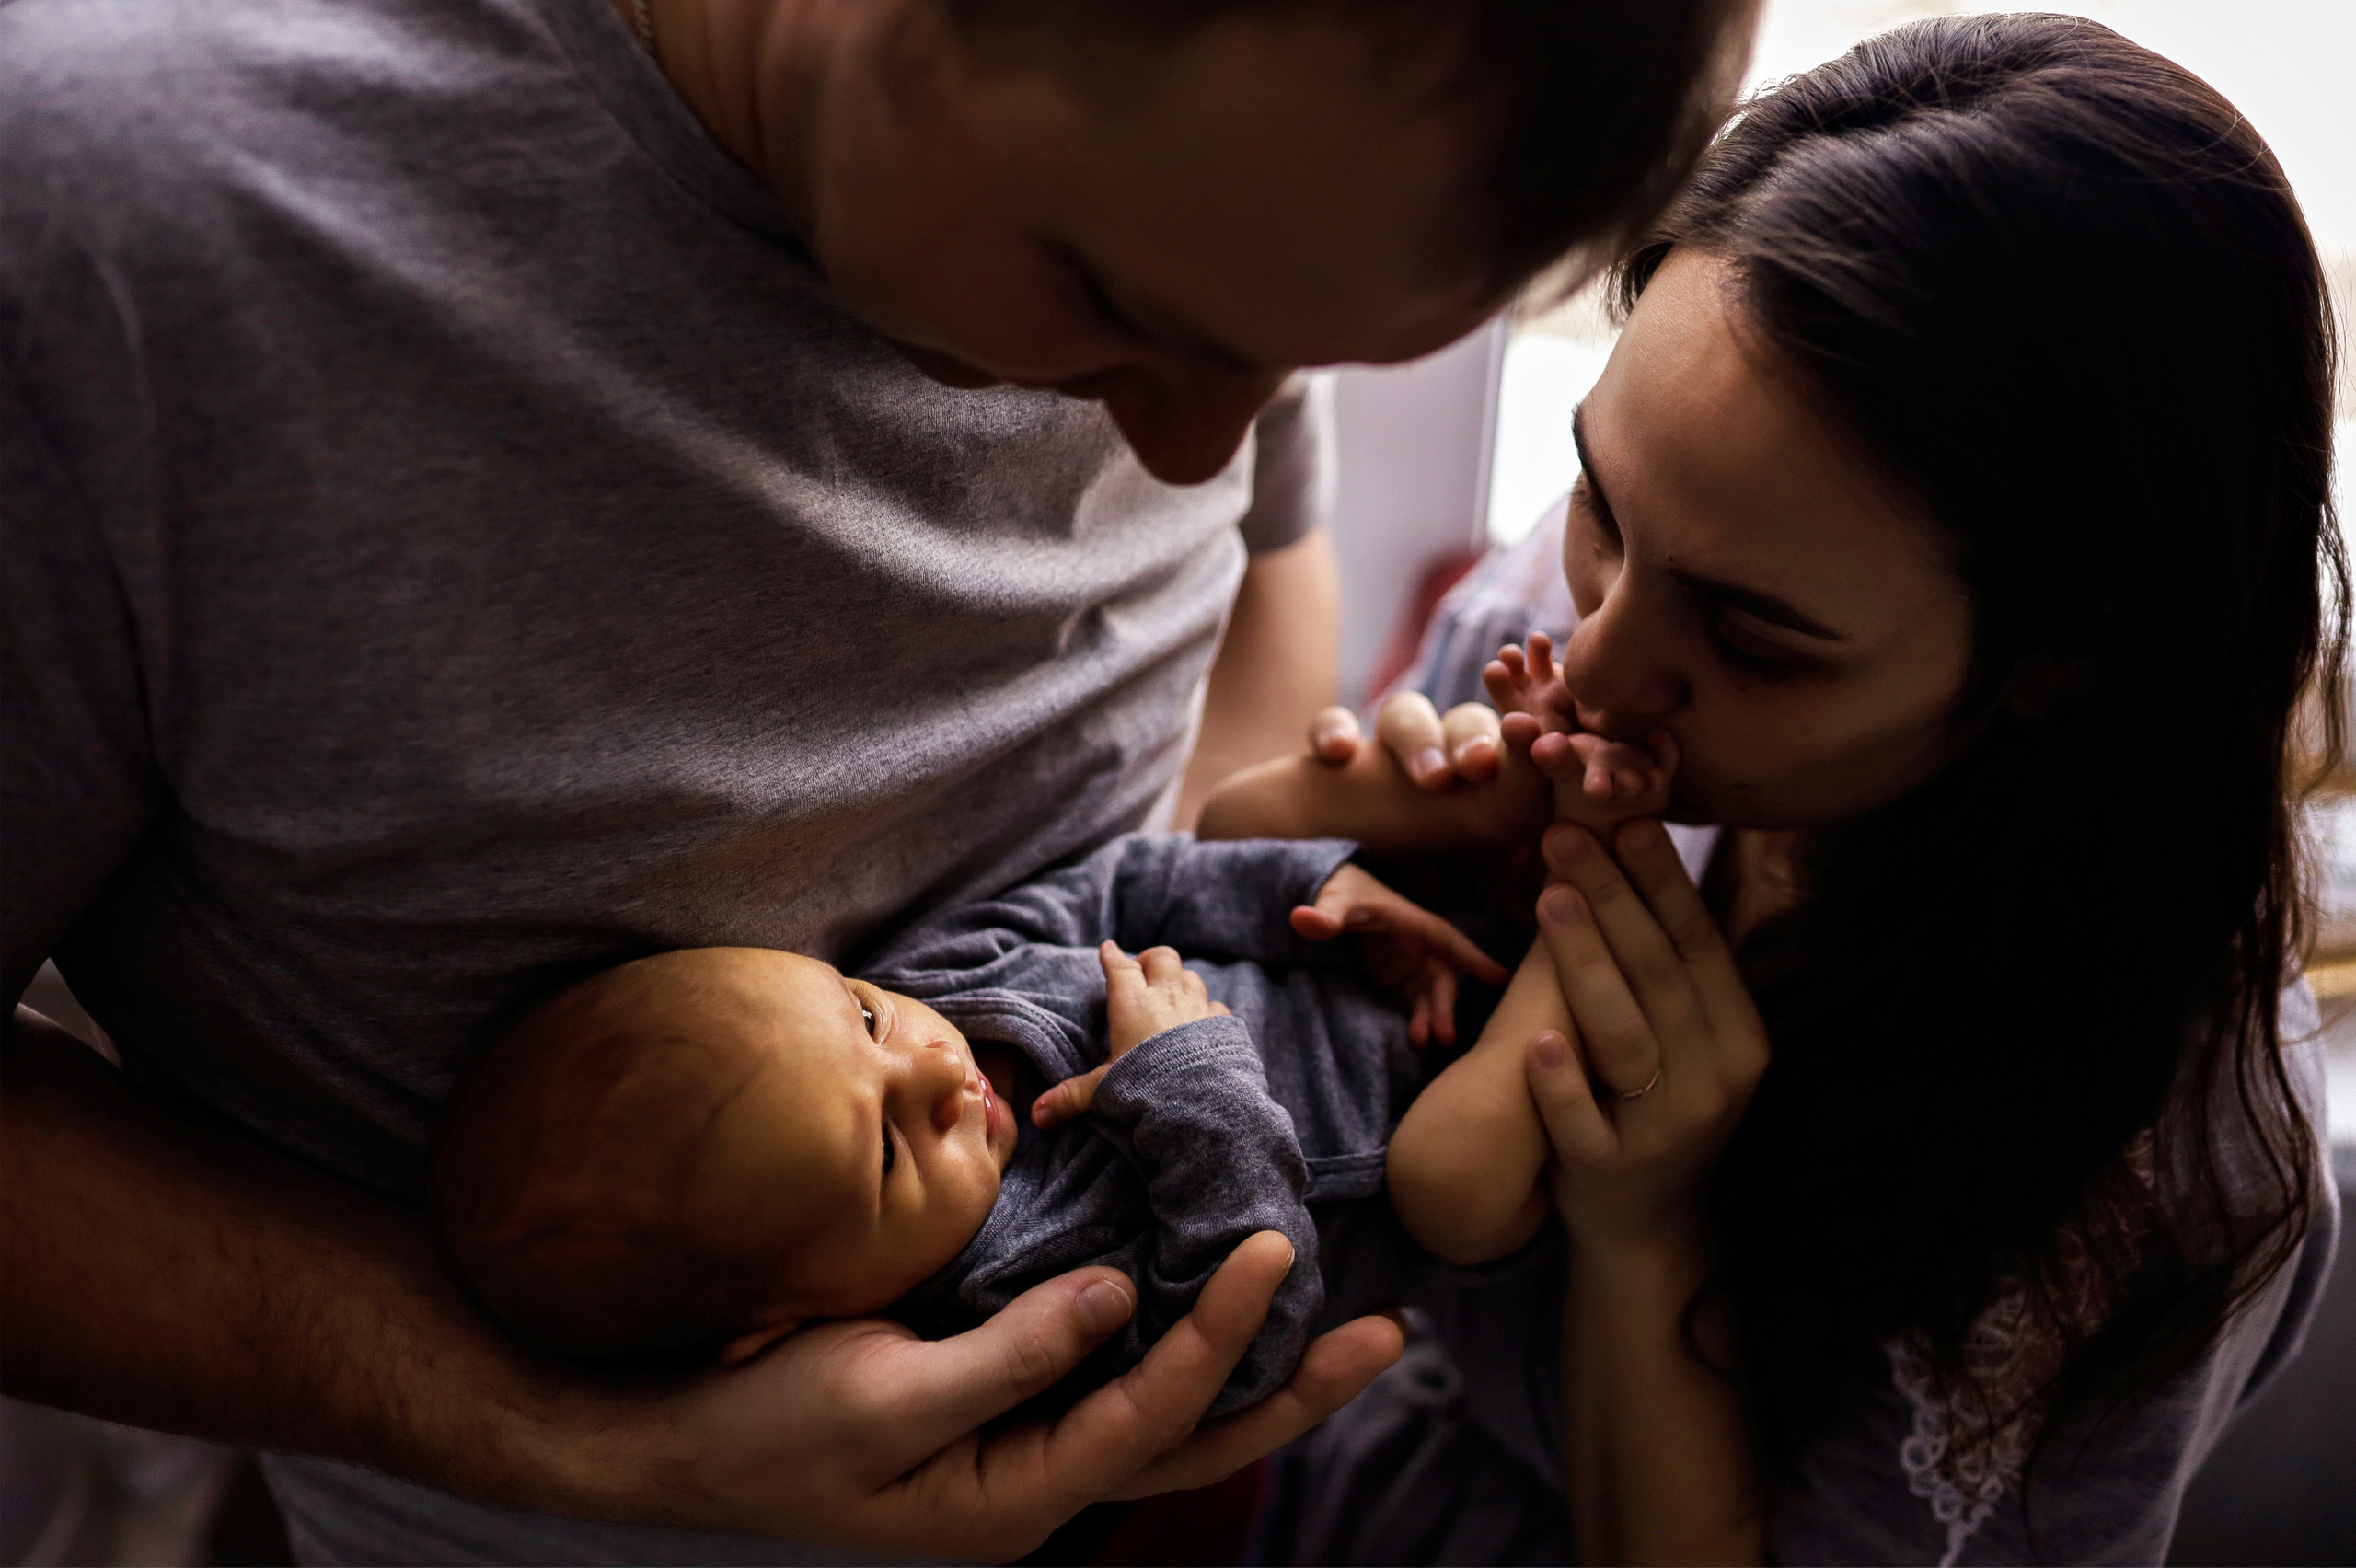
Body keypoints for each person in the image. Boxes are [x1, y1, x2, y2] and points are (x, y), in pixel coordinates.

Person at [0, 0, 1758, 1559]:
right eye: (1116, 303)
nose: (1190, 440)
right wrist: (584, 1434)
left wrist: (1266, 870)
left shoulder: (1253, 178)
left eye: (1287, 356)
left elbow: (1256, 551)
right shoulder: (108, 225)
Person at [1201, 16, 2345, 1563]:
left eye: (1752, 637)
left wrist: (1642, 1224)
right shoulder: (1624, 567)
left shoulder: (2160, 1155)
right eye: (1598, 500)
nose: (1595, 666)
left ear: (2065, 660)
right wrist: (1384, 853)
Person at [431, 838, 1520, 1406]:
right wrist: (1185, 1082)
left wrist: (1324, 888)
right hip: (1491, 1189)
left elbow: (1130, 880)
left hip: (1406, 980)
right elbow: (1243, 1346)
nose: (939, 1072)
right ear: (789, 1316)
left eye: (864, 1019)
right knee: (1477, 1172)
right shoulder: (1002, 1310)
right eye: (893, 1152)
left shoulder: (944, 978)